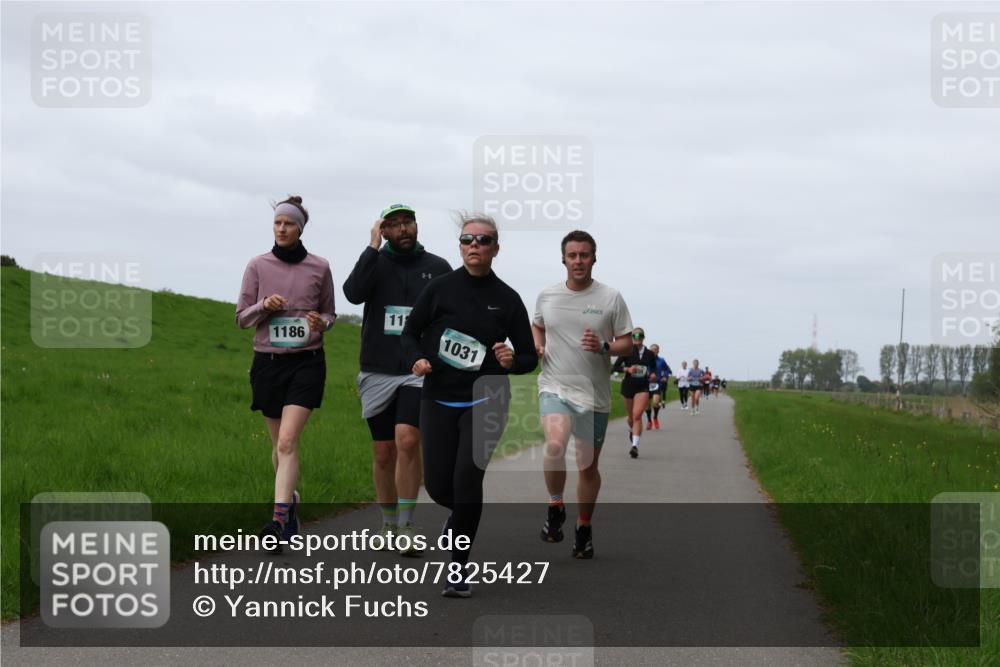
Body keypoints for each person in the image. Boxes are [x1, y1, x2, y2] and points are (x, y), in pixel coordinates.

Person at [401, 213, 537, 597]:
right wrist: (416, 359)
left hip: (487, 398)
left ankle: (458, 569)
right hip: (439, 396)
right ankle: (456, 518)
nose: (474, 245)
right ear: (460, 246)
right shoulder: (440, 289)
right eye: (467, 239)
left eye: (483, 239)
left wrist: (513, 360)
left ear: (496, 248)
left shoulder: (508, 299)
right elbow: (410, 333)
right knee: (439, 485)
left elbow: (529, 357)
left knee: (466, 479)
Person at [343, 203, 450, 556]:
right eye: (394, 225)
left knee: (407, 440)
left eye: (408, 222)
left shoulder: (437, 268)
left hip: (416, 371)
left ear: (417, 226)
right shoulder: (374, 263)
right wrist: (371, 247)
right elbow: (353, 293)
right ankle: (387, 524)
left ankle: (407, 525)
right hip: (377, 369)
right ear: (384, 231)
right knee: (383, 450)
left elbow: (449, 316)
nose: (403, 229)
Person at [236, 196, 336, 551]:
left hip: (307, 362)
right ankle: (290, 501)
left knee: (287, 442)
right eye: (277, 222)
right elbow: (241, 317)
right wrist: (264, 305)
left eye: (288, 223)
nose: (281, 228)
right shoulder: (257, 265)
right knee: (279, 448)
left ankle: (277, 521)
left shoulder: (319, 267)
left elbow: (329, 314)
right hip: (268, 363)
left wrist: (319, 322)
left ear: (300, 229)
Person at [532, 230, 633, 560]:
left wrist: (605, 346)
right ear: (563, 258)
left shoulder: (610, 298)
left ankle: (584, 527)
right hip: (555, 386)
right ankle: (555, 505)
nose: (578, 261)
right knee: (555, 443)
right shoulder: (547, 295)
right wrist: (539, 344)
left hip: (594, 395)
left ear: (594, 258)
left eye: (584, 255)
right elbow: (537, 324)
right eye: (572, 255)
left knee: (588, 467)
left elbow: (626, 343)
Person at [612, 328, 657, 458]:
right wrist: (627, 369)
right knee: (631, 417)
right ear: (632, 337)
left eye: (640, 335)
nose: (637, 337)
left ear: (644, 337)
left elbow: (653, 368)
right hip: (628, 386)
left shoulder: (649, 354)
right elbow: (615, 367)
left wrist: (653, 375)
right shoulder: (627, 351)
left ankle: (635, 446)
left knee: (637, 415)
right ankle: (632, 430)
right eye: (635, 335)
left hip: (643, 386)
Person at [644, 344, 672, 429]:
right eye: (651, 349)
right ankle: (649, 420)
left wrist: (665, 377)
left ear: (658, 351)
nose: (653, 351)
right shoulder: (645, 360)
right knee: (647, 405)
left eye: (655, 349)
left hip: (657, 383)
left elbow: (667, 370)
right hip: (646, 384)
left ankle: (655, 417)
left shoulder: (661, 360)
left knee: (655, 402)